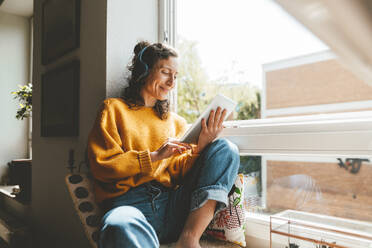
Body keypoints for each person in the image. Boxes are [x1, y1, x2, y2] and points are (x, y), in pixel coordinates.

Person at [87, 41, 240, 248]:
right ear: (145, 70)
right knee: (117, 226)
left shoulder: (175, 122)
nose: (171, 83)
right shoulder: (114, 110)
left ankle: (189, 239)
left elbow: (178, 173)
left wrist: (201, 146)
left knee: (226, 149)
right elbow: (101, 166)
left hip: (172, 206)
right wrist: (155, 156)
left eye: (175, 76)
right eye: (166, 72)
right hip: (129, 206)